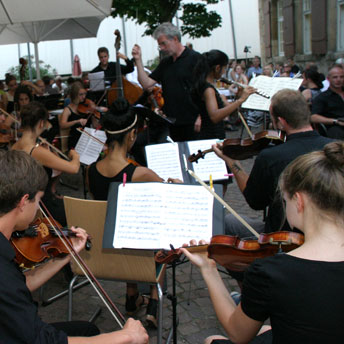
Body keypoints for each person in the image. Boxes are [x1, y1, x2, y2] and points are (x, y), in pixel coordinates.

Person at [0, 150, 149, 344]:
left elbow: (20, 285)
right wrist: (124, 336)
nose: (39, 208)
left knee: (87, 329)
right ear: (23, 202)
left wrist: (65, 254)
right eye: (38, 200)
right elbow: (42, 340)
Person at [181, 141, 344, 344]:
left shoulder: (272, 271)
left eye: (284, 200)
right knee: (266, 328)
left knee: (212, 340)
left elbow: (238, 333)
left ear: (299, 201)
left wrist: (208, 268)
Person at [87, 98, 171, 327]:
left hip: (103, 251)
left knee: (119, 223)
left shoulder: (90, 170)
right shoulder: (139, 173)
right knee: (158, 232)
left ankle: (132, 295)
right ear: (132, 135)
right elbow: (167, 194)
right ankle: (153, 300)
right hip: (134, 251)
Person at [213, 89, 333, 234]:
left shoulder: (271, 157)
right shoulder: (335, 148)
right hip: (331, 231)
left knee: (228, 222)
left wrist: (233, 162)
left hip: (282, 236)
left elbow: (255, 202)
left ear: (281, 122)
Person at [12, 101, 80, 226]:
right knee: (74, 212)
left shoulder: (14, 146)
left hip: (23, 202)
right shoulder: (35, 150)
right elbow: (74, 168)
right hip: (41, 205)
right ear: (41, 123)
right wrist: (75, 155)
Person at [135, 23, 203, 141]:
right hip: (171, 121)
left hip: (192, 121)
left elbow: (205, 90)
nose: (161, 48)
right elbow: (146, 83)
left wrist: (201, 116)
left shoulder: (195, 58)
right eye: (159, 45)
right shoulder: (165, 63)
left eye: (163, 43)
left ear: (175, 39)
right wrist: (138, 60)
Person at [191, 50, 256, 140]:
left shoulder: (204, 86)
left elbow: (231, 112)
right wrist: (241, 100)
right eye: (224, 68)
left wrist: (239, 95)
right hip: (211, 136)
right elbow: (215, 116)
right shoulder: (208, 89)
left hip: (212, 134)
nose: (224, 72)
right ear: (217, 68)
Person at [310, 64, 344, 139]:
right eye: (335, 77)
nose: (338, 79)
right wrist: (335, 121)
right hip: (335, 127)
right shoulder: (322, 98)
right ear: (328, 79)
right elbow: (313, 117)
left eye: (341, 77)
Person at [60, 82, 90, 150]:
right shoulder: (67, 109)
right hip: (76, 140)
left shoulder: (87, 106)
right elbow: (62, 124)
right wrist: (76, 121)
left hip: (88, 138)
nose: (84, 97)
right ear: (74, 95)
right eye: (81, 94)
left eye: (85, 94)